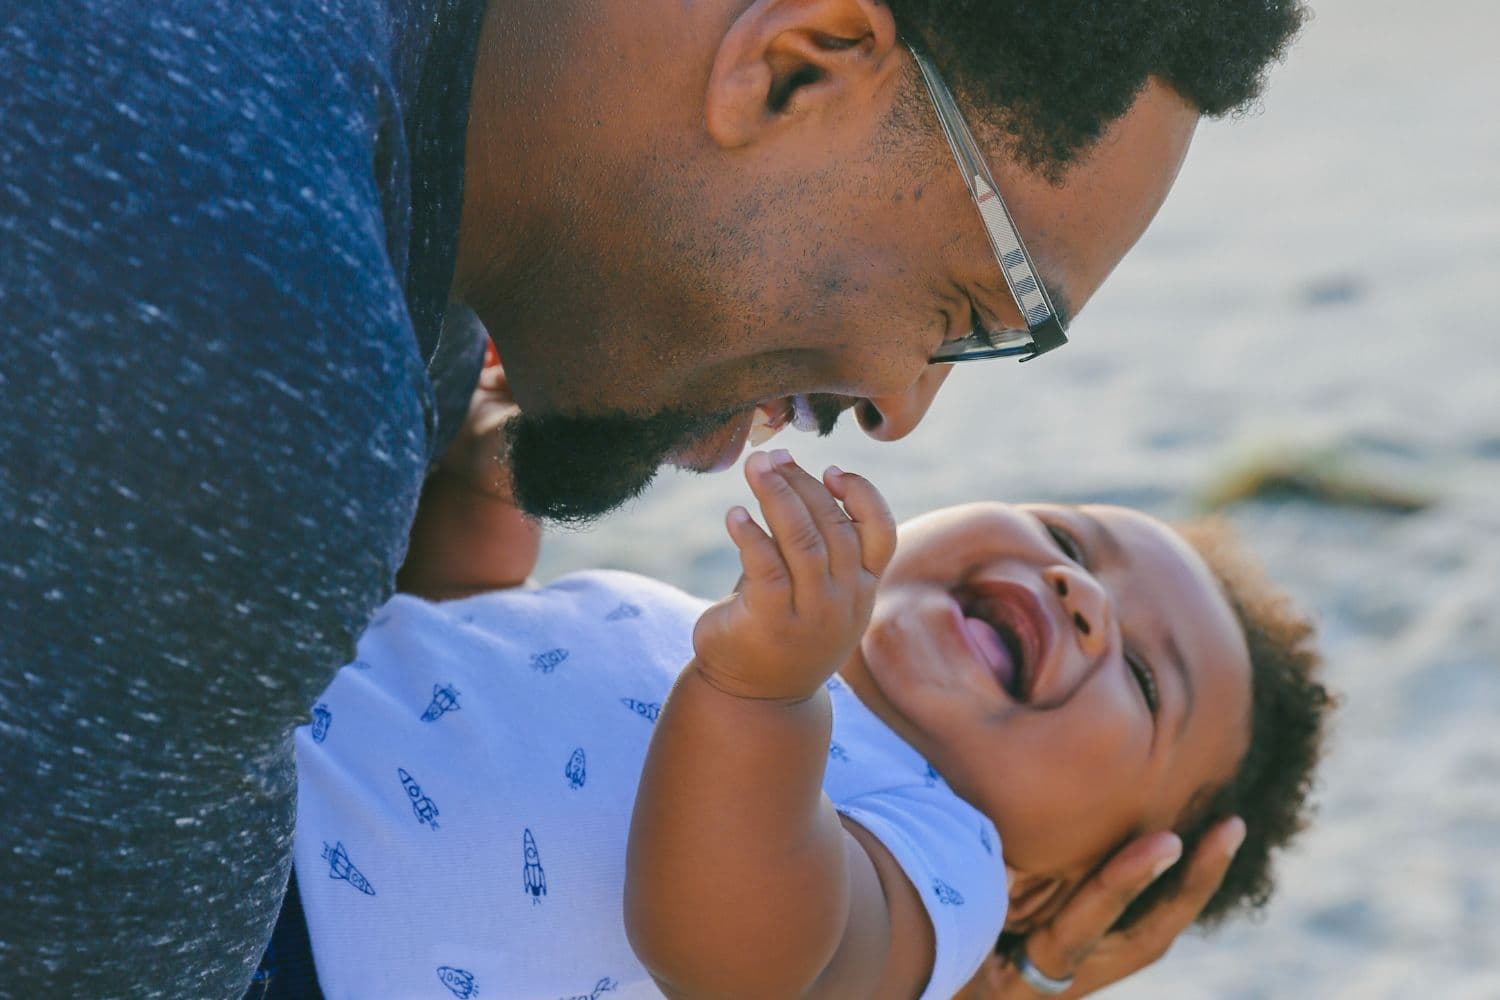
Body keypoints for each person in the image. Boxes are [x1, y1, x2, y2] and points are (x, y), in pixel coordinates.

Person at [1, 1, 1308, 994]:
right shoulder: (255, 363)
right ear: (794, 67)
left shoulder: (381, 239)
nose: (906, 411)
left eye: (1145, 678)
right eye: (971, 311)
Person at [276, 423, 1330, 998]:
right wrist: (489, 497)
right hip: (241, 760)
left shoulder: (938, 864)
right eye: (1069, 537)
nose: (1078, 592)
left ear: (1042, 886)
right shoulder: (706, 631)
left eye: (1147, 680)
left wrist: (759, 695)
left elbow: (738, 959)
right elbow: (462, 677)